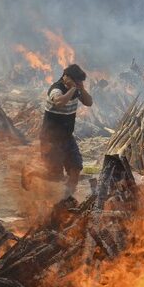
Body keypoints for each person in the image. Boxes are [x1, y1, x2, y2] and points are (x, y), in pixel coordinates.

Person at [24, 64, 93, 197]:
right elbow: (60, 102)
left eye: (80, 82)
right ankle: (30, 171)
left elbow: (89, 102)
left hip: (67, 137)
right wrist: (73, 88)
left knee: (76, 168)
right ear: (66, 77)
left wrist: (81, 89)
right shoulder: (56, 89)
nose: (79, 84)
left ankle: (67, 199)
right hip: (50, 139)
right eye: (77, 81)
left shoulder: (76, 89)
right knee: (55, 176)